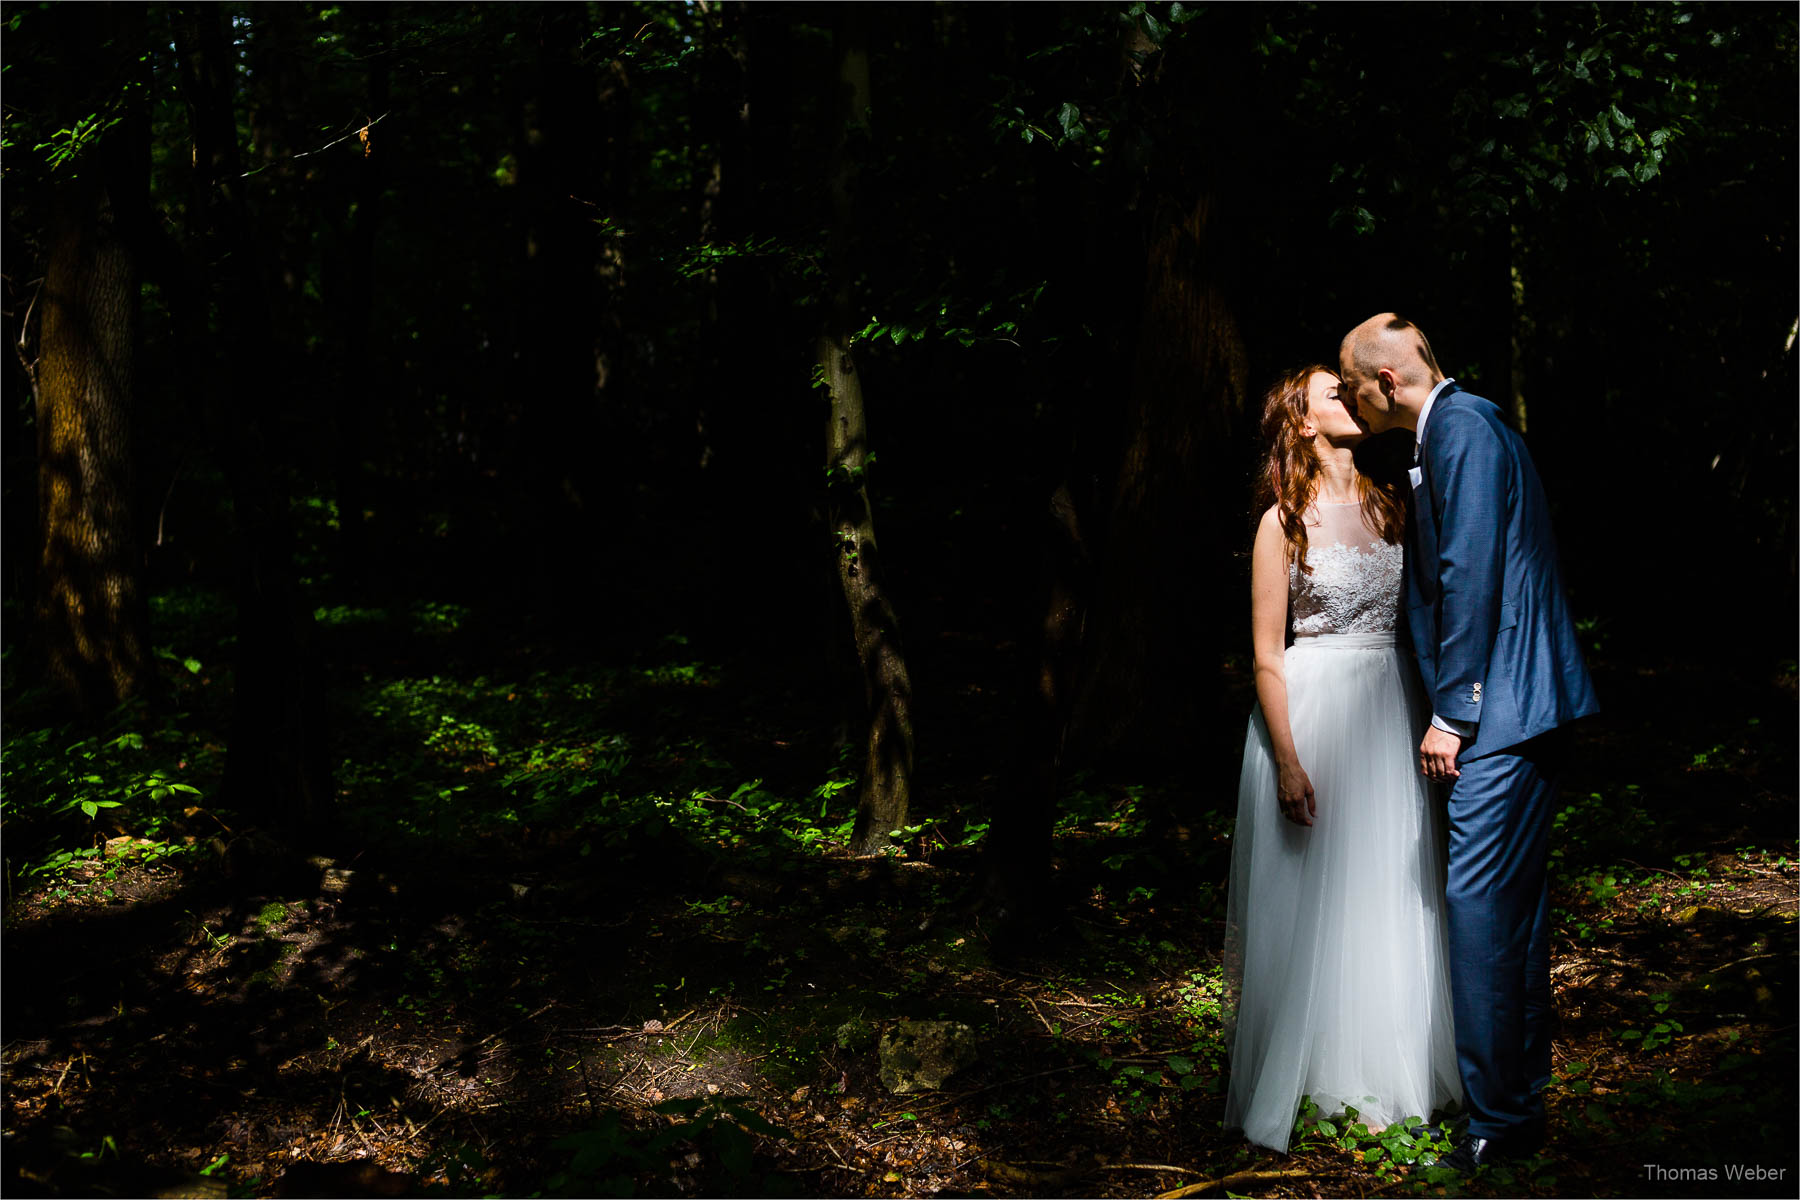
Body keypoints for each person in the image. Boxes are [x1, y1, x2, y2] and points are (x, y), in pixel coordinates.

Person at [1337, 314, 1599, 1172]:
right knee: (1512, 916)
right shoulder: (1455, 429)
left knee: (1480, 908)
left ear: (1386, 381)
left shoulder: (1463, 428)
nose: (1346, 398)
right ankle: (1515, 1112)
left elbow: (1470, 572)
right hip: (1528, 705)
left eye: (1350, 384)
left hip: (1503, 712)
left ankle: (1493, 1121)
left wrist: (1455, 710)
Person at [1223, 364, 1461, 1153]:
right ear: (1300, 423)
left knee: (1386, 888)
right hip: (1314, 708)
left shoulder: (1394, 505)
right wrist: (1287, 759)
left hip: (1389, 703)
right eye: (1332, 394)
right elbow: (1265, 655)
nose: (1350, 400)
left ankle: (1389, 1068)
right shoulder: (1279, 524)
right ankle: (1314, 1066)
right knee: (1312, 894)